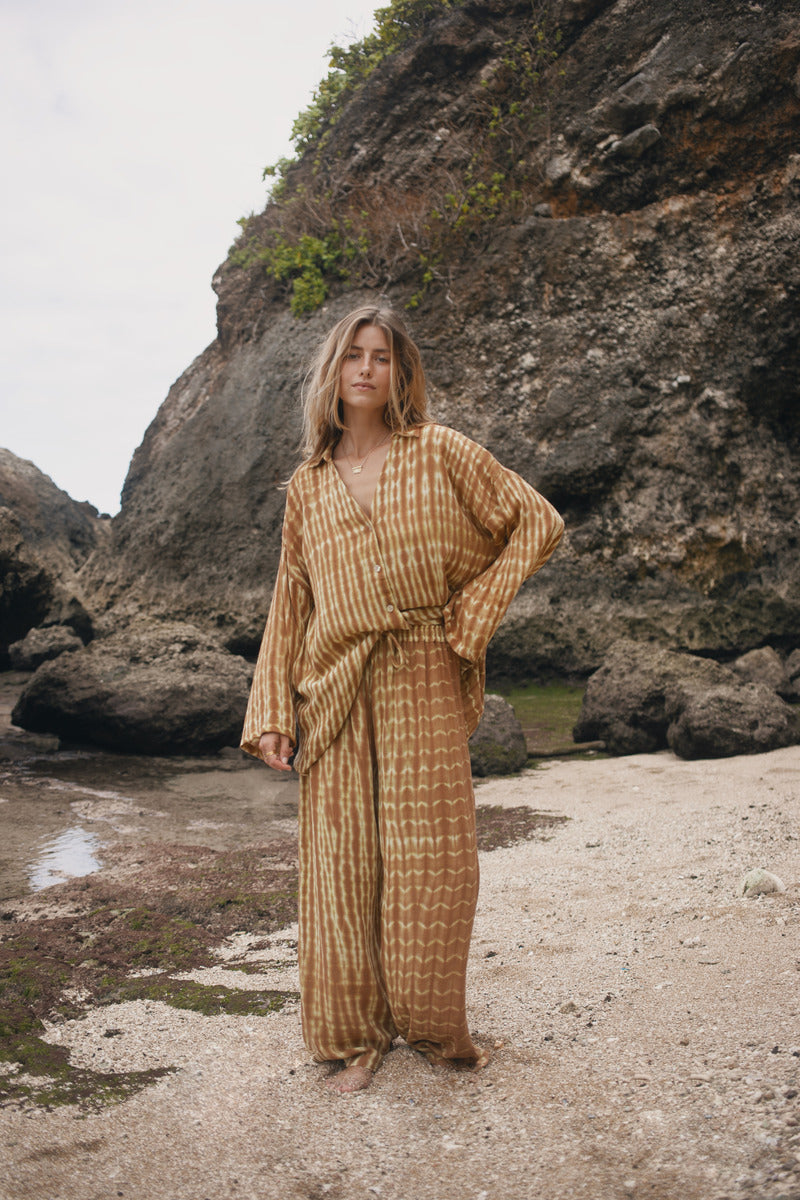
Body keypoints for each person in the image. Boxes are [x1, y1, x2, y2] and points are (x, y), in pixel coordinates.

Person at [241, 304, 563, 1095]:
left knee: (433, 861)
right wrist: (273, 713)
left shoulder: (441, 451)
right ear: (331, 372)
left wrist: (472, 617)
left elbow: (537, 521)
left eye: (381, 357)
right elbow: (291, 603)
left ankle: (431, 1027)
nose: (366, 370)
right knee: (340, 870)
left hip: (424, 667)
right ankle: (355, 1037)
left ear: (399, 373)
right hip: (336, 684)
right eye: (352, 355)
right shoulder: (307, 488)